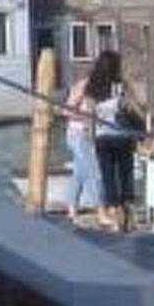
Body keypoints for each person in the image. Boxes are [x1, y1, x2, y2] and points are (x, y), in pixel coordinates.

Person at [83, 48, 141, 233]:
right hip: (122, 136)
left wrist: (90, 136)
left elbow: (90, 115)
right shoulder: (121, 84)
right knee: (126, 175)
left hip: (103, 138)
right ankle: (130, 219)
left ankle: (116, 219)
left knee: (108, 177)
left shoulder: (92, 86)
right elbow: (133, 107)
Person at [63, 74, 103, 225]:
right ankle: (100, 212)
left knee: (78, 174)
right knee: (95, 172)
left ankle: (71, 210)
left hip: (83, 137)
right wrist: (83, 117)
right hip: (78, 136)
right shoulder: (81, 87)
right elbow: (66, 111)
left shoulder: (93, 92)